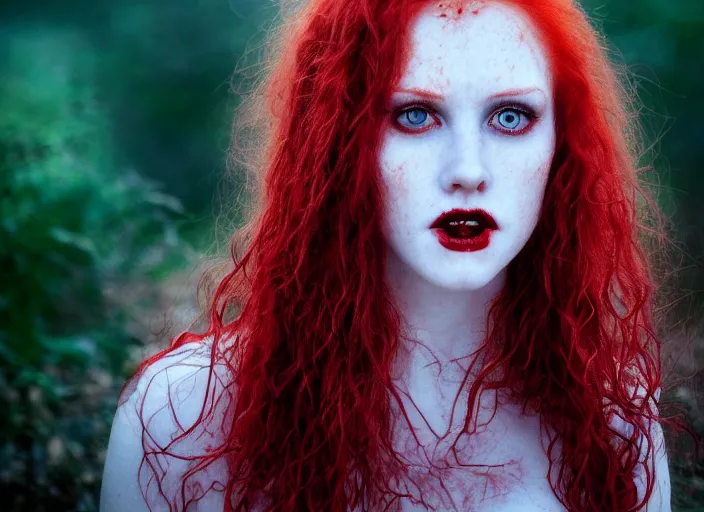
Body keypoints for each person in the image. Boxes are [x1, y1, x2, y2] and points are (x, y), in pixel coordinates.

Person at [100, 0, 673, 510]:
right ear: (335, 141)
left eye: (510, 117)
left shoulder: (615, 425)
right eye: (415, 115)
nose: (468, 171)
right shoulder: (179, 420)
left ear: (562, 144)